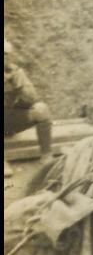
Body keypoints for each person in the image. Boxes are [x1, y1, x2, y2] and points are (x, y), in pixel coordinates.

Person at [4, 39, 54, 175]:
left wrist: (18, 86)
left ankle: (46, 156)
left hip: (8, 122)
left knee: (41, 109)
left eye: (7, 54)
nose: (5, 58)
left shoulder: (15, 72)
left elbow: (32, 99)